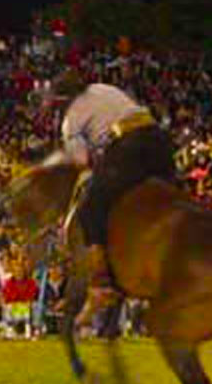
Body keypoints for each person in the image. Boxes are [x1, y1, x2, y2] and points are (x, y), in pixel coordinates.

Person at [47, 68, 175, 327]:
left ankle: (99, 285)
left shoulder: (71, 120)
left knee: (90, 211)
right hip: (160, 145)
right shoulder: (103, 88)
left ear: (61, 101)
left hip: (128, 149)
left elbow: (82, 163)